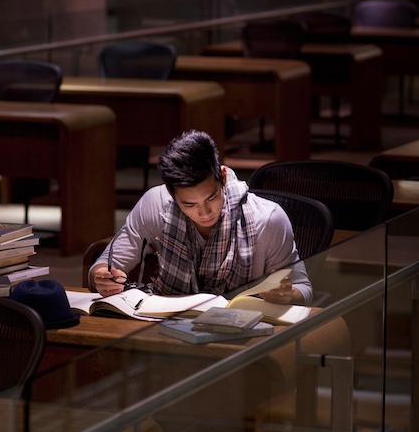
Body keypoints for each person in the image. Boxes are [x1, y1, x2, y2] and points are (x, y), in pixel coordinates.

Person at [89, 129, 312, 305]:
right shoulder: (155, 204)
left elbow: (303, 287)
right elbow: (106, 264)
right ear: (170, 192)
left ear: (223, 177)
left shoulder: (268, 219)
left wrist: (289, 294)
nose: (204, 213)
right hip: (167, 325)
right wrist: (102, 277)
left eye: (211, 198)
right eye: (189, 204)